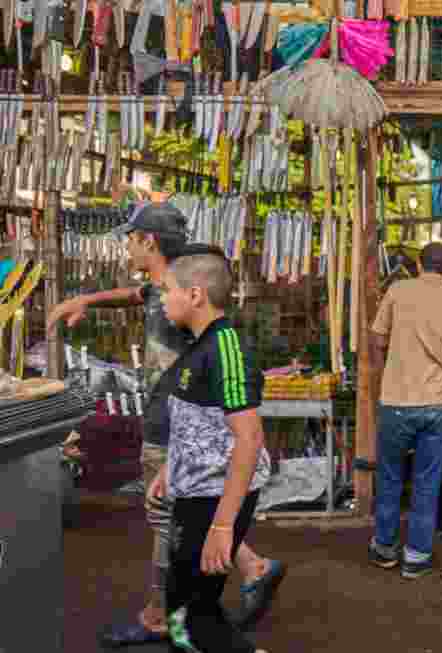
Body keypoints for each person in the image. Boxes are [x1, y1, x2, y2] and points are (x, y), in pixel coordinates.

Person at [46, 205, 284, 647]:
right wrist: (87, 301)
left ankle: (167, 615)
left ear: (148, 241)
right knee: (183, 548)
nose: (127, 246)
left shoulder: (198, 320)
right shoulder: (166, 293)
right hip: (181, 448)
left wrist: (222, 524)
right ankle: (214, 591)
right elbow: (136, 296)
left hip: (184, 444)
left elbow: (247, 435)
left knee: (176, 540)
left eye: (131, 238)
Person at [147, 248, 272, 653]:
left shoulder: (226, 350)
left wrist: (223, 527)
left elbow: (249, 438)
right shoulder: (198, 345)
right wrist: (170, 467)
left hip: (216, 497)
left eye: (168, 290)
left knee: (190, 614)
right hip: (196, 491)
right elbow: (196, 423)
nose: (162, 298)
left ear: (196, 294)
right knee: (187, 606)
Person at [368, 242, 442, 579]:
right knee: (428, 482)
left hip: (397, 400)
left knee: (390, 477)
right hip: (438, 404)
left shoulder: (398, 290)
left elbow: (378, 339)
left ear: (417, 263)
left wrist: (388, 373)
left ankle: (384, 548)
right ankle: (417, 556)